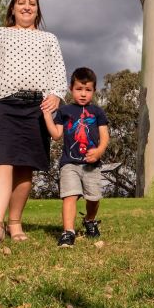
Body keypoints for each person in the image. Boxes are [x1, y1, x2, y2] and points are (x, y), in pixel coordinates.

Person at [0, 0, 67, 247]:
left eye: (32, 4)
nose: (26, 7)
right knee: (2, 162)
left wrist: (56, 95)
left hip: (36, 108)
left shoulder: (49, 39)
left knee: (24, 167)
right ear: (12, 9)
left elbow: (58, 73)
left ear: (37, 11)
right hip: (1, 105)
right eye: (21, 3)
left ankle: (15, 223)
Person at [43, 67, 110, 248]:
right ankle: (68, 232)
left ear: (94, 91)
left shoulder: (97, 112)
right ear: (71, 89)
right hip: (69, 163)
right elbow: (56, 135)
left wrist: (99, 151)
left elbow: (104, 136)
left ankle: (89, 220)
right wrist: (47, 116)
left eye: (88, 90)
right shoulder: (64, 111)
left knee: (93, 198)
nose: (83, 94)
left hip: (91, 165)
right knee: (69, 196)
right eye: (79, 89)